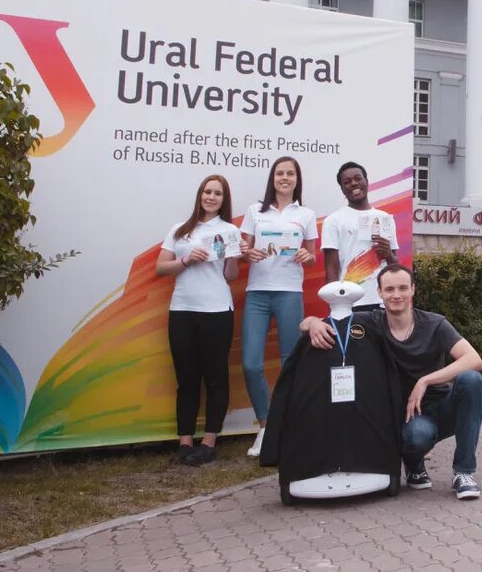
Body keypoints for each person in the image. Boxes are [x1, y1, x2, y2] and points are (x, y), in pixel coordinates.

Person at [301, 263, 482, 500]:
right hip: (409, 416)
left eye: (402, 288)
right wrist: (315, 323)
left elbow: (474, 359)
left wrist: (425, 381)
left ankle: (464, 472)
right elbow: (310, 323)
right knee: (417, 437)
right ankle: (414, 463)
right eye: (389, 289)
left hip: (442, 406)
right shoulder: (369, 322)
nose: (396, 295)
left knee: (471, 380)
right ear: (379, 292)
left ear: (412, 290)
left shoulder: (434, 323)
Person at [155, 174, 241, 466]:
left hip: (217, 310)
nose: (211, 197)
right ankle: (184, 442)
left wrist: (232, 257)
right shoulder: (180, 230)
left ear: (223, 199)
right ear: (200, 195)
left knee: (215, 377)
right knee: (186, 378)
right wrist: (185, 261)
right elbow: (160, 268)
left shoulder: (230, 230)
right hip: (182, 310)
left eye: (218, 193)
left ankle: (209, 441)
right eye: (207, 191)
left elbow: (231, 276)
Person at [239, 156, 319, 458]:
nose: (284, 178)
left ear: (297, 180)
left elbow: (311, 255)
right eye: (279, 173)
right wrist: (250, 253)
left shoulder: (307, 214)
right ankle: (265, 426)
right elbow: (241, 249)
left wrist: (305, 257)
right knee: (250, 363)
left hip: (289, 293)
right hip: (257, 294)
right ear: (272, 178)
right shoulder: (254, 212)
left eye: (290, 174)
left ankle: (285, 425)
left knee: (290, 363)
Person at [321, 162, 399, 311]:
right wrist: (335, 305)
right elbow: (331, 267)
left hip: (382, 300)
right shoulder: (333, 220)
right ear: (342, 189)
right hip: (349, 302)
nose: (354, 183)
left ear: (366, 182)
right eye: (347, 182)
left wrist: (388, 254)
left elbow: (395, 266)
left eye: (358, 178)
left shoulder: (385, 218)